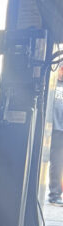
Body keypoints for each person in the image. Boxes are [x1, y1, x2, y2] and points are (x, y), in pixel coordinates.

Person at [49, 64, 63, 206]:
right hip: (53, 129)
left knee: (58, 163)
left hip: (60, 129)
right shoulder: (51, 85)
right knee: (56, 163)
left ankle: (56, 194)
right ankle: (54, 194)